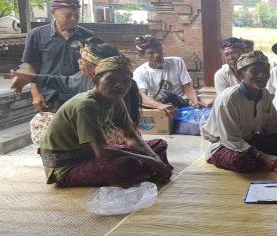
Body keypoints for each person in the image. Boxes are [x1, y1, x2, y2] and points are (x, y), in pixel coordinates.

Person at [38, 56, 172, 187]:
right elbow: (102, 152)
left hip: (91, 155)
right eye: (111, 80)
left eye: (126, 81)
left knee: (159, 145)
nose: (120, 85)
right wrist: (150, 161)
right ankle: (147, 173)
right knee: (127, 164)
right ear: (96, 80)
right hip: (67, 167)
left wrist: (154, 159)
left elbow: (131, 137)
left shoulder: (116, 100)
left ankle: (145, 173)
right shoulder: (86, 105)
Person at [202, 51, 277, 173]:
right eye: (255, 71)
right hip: (224, 145)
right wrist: (262, 156)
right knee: (240, 160)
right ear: (240, 75)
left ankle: (266, 160)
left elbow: (273, 123)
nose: (262, 75)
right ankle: (265, 160)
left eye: (265, 70)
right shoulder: (229, 99)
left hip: (249, 141)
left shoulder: (264, 94)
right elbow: (231, 139)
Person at [11, 39, 142, 144]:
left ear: (95, 65)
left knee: (44, 124)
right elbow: (63, 81)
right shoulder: (84, 76)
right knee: (42, 119)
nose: (79, 61)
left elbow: (119, 123)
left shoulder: (114, 87)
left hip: (116, 135)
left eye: (83, 60)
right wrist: (30, 77)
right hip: (104, 129)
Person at [12, 0, 94, 112]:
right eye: (68, 15)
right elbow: (30, 65)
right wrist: (35, 93)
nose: (73, 19)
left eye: (76, 15)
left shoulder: (88, 36)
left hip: (81, 97)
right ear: (53, 13)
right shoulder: (37, 35)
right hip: (49, 97)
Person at [132, 35, 203, 117]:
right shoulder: (140, 72)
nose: (156, 55)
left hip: (182, 106)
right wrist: (159, 106)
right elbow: (141, 96)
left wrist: (195, 101)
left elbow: (187, 87)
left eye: (158, 51)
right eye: (150, 53)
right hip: (160, 109)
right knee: (163, 97)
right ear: (141, 55)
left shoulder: (177, 62)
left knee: (168, 96)